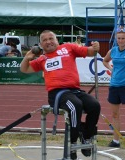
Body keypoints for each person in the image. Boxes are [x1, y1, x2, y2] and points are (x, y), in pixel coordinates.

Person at [20, 30, 101, 160]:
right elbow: (24, 69)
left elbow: (90, 52)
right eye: (44, 40)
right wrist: (27, 58)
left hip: (75, 90)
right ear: (40, 44)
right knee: (75, 105)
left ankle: (86, 137)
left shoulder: (68, 47)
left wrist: (95, 47)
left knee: (94, 105)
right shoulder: (42, 59)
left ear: (57, 40)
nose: (48, 41)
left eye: (51, 38)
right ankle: (73, 144)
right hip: (57, 93)